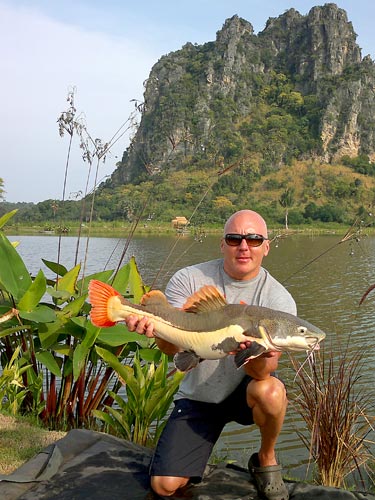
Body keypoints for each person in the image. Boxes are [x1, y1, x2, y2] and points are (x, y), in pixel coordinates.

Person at [126, 210, 296, 500]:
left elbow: (264, 372)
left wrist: (251, 351)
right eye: (234, 238)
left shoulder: (278, 302)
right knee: (164, 486)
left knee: (271, 391)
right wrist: (157, 332)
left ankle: (266, 458)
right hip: (199, 394)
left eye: (254, 239)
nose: (244, 246)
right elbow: (174, 350)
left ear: (265, 247)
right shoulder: (189, 279)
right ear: (222, 244)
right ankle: (193, 456)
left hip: (246, 390)